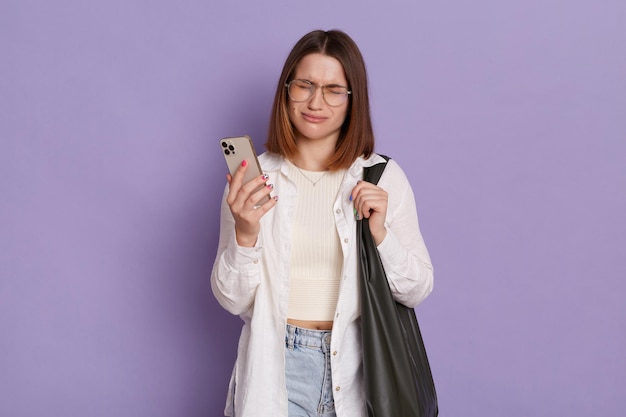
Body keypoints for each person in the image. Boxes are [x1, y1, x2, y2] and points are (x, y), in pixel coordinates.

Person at [211, 29, 434, 417]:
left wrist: (380, 234)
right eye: (305, 85)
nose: (316, 101)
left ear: (353, 99)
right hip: (277, 369)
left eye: (334, 89)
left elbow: (416, 289)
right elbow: (232, 299)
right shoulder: (257, 179)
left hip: (359, 368)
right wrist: (245, 234)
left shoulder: (380, 177)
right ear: (287, 90)